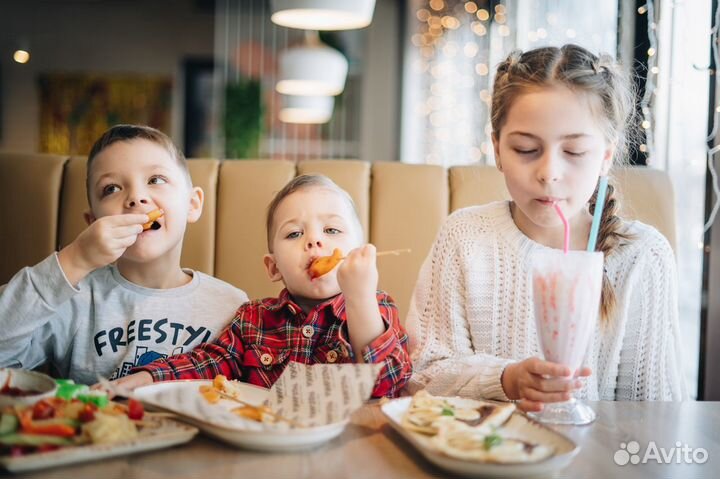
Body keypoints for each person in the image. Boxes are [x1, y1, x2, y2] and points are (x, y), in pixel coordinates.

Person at [406, 44, 686, 411]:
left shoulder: (643, 257)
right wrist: (506, 380)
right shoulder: (465, 237)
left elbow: (657, 414)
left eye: (573, 153)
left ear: (605, 156)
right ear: (497, 149)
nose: (549, 173)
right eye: (525, 149)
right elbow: (423, 373)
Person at [113, 175, 412, 398]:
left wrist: (359, 297)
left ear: (359, 251)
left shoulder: (376, 307)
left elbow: (389, 384)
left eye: (332, 229)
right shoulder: (253, 319)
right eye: (294, 233)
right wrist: (147, 379)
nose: (315, 241)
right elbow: (208, 362)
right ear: (274, 267)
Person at [0, 125, 248, 383]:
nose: (136, 197)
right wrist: (75, 258)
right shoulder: (74, 302)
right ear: (93, 222)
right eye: (112, 188)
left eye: (155, 180)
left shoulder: (231, 306)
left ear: (192, 204)